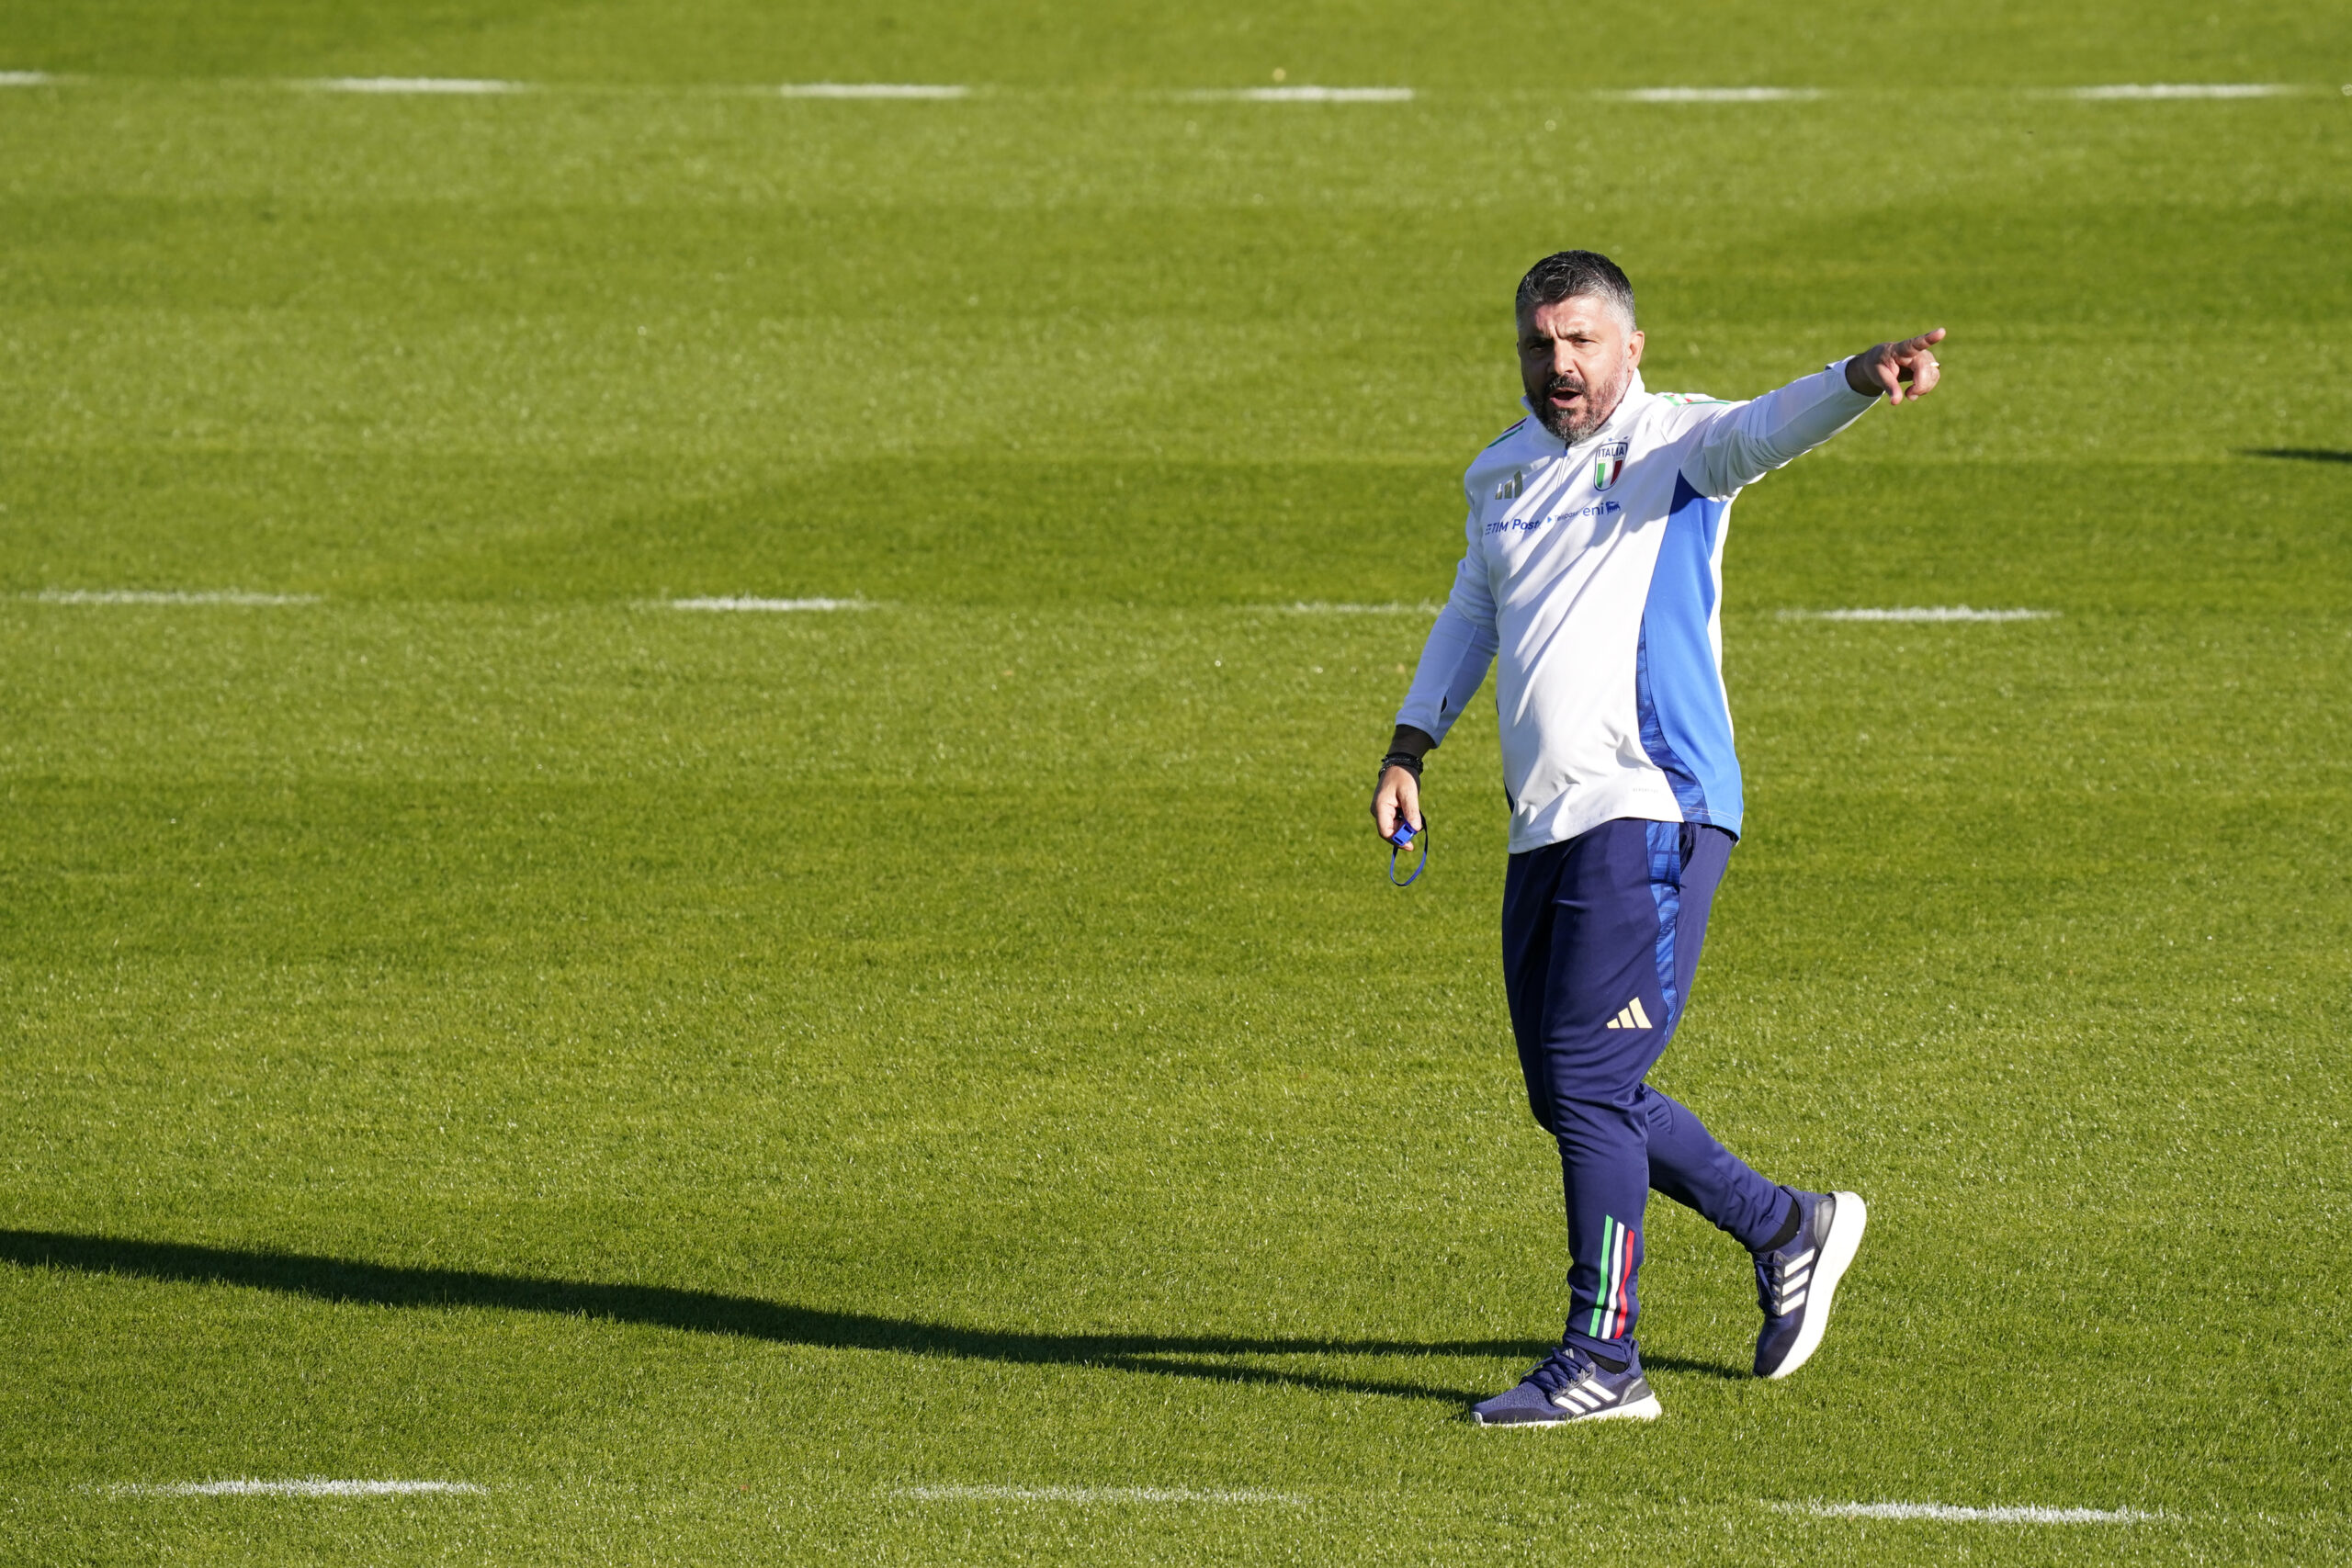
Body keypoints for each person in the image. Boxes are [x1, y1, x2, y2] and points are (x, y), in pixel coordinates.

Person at [1371, 250, 1945, 1426]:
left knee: (1589, 1082)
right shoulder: (1500, 470)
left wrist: (1858, 374)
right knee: (1572, 1091)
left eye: (1581, 341)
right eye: (1539, 343)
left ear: (1630, 348)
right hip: (1543, 823)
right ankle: (1785, 1227)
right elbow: (1474, 609)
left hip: (1652, 800)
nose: (1559, 363)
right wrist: (1409, 744)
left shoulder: (1679, 443)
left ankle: (1603, 1358)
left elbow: (1768, 428)